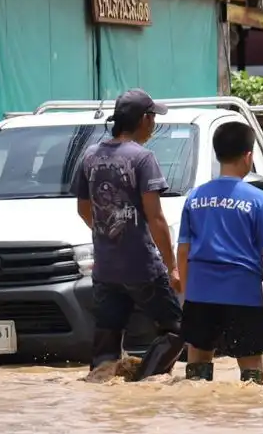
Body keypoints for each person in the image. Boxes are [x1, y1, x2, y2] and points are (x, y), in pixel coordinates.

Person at [70, 88, 184, 381]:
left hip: (105, 269)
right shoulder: (143, 159)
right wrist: (172, 266)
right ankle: (141, 382)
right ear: (145, 120)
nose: (154, 124)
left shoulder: (90, 156)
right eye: (153, 118)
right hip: (142, 266)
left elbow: (84, 209)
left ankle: (104, 390)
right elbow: (155, 218)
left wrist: (108, 231)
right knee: (177, 329)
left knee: (107, 341)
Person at [176, 121, 263, 385]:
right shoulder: (258, 200)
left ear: (217, 154)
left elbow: (183, 249)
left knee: (198, 367)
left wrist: (185, 291)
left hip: (201, 293)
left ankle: (198, 419)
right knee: (251, 373)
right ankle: (248, 420)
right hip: (242, 295)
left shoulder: (195, 197)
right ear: (248, 156)